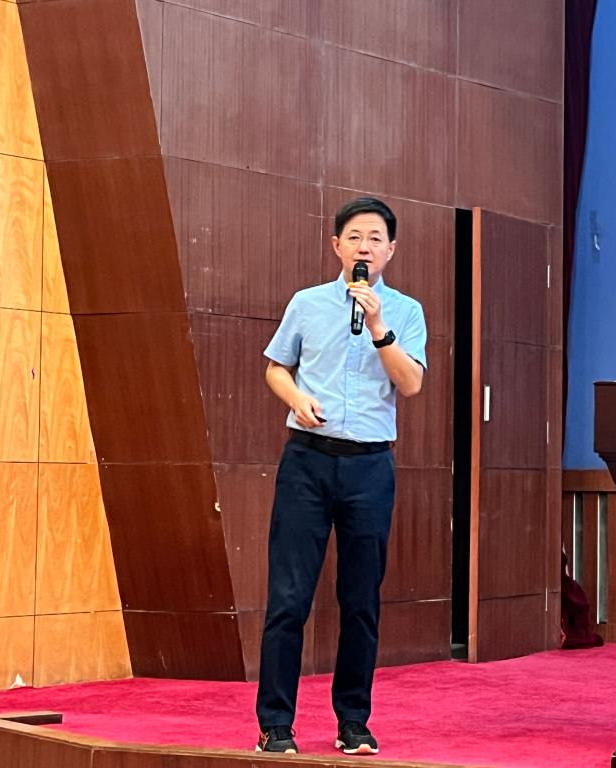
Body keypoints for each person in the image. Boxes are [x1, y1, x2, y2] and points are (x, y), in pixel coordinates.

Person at [254, 197, 427, 755]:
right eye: (354, 237)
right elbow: (276, 368)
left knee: (360, 601)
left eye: (375, 239)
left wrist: (378, 325)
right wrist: (296, 398)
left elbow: (411, 384)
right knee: (288, 597)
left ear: (390, 250)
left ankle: (353, 720)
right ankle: (275, 724)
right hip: (307, 462)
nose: (364, 248)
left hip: (369, 467)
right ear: (336, 246)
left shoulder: (405, 312)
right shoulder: (306, 303)